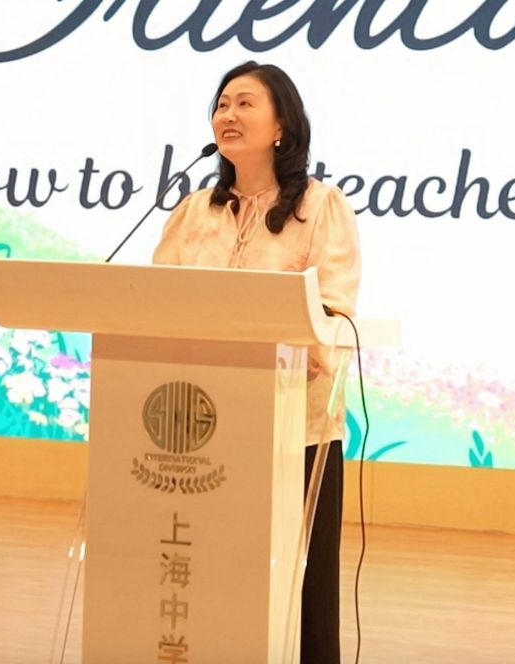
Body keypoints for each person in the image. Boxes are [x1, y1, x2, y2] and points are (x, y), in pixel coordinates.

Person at [151, 60, 360, 664]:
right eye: (222, 104)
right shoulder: (194, 212)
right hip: (200, 430)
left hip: (296, 432)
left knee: (302, 589)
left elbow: (334, 310)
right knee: (212, 574)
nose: (228, 114)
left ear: (281, 126)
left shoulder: (321, 206)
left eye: (244, 103)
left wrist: (304, 340)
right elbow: (156, 304)